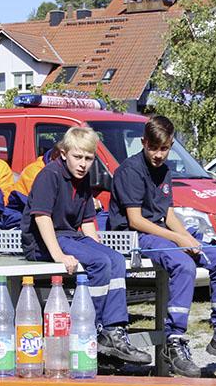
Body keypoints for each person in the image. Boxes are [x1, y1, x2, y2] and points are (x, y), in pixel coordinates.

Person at [110, 115, 216, 377]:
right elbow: (136, 220)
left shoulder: (165, 171)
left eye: (164, 148)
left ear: (171, 145)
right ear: (143, 143)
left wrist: (189, 239)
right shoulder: (129, 171)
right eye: (152, 148)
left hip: (163, 232)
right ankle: (174, 340)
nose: (158, 154)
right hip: (136, 235)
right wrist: (178, 240)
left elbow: (168, 216)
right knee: (183, 264)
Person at [21, 126, 149, 364]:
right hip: (44, 241)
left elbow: (88, 221)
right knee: (100, 262)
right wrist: (58, 255)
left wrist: (98, 247)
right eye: (77, 157)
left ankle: (114, 329)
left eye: (88, 158)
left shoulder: (84, 179)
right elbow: (42, 218)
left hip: (70, 236)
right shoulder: (49, 175)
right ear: (63, 154)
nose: (83, 164)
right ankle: (92, 330)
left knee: (115, 259)